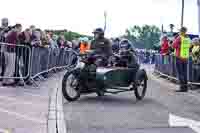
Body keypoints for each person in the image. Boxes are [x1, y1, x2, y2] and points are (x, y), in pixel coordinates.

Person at [172, 27, 191, 92]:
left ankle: (182, 87)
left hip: (179, 56)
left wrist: (178, 45)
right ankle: (185, 88)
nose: (179, 32)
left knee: (180, 73)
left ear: (181, 31)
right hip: (185, 57)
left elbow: (173, 45)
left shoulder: (179, 38)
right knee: (185, 73)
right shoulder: (188, 38)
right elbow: (190, 46)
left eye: (180, 31)